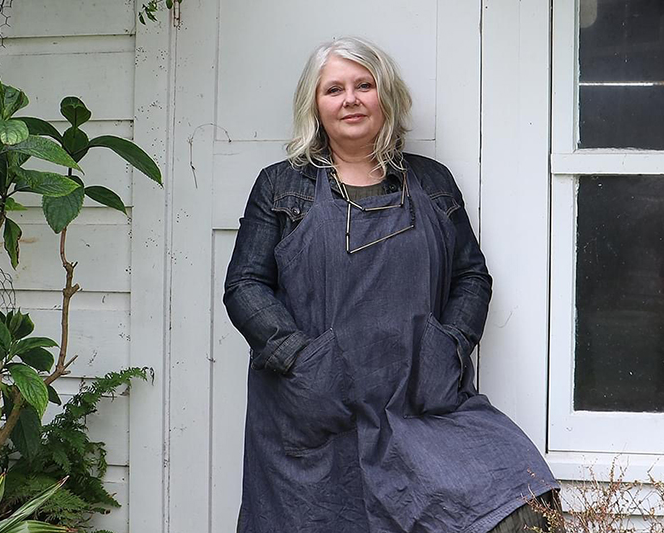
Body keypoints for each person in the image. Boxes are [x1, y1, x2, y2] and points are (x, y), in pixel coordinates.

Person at [224, 36, 560, 533]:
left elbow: (471, 276)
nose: (351, 99)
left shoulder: (433, 182)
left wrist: (449, 346)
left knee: (523, 503)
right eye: (333, 89)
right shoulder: (281, 185)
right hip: (316, 407)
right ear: (315, 106)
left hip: (419, 399)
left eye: (365, 85)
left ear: (387, 96)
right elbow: (245, 284)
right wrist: (301, 361)